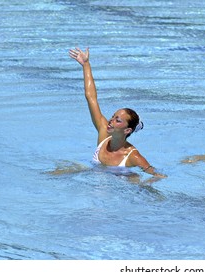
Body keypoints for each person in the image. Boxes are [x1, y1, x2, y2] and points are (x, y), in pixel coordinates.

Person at [69, 47, 166, 177]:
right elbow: (91, 97)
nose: (111, 121)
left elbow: (158, 176)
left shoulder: (133, 156)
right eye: (113, 116)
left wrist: (147, 183)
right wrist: (86, 65)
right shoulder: (104, 133)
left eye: (117, 120)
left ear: (127, 130)